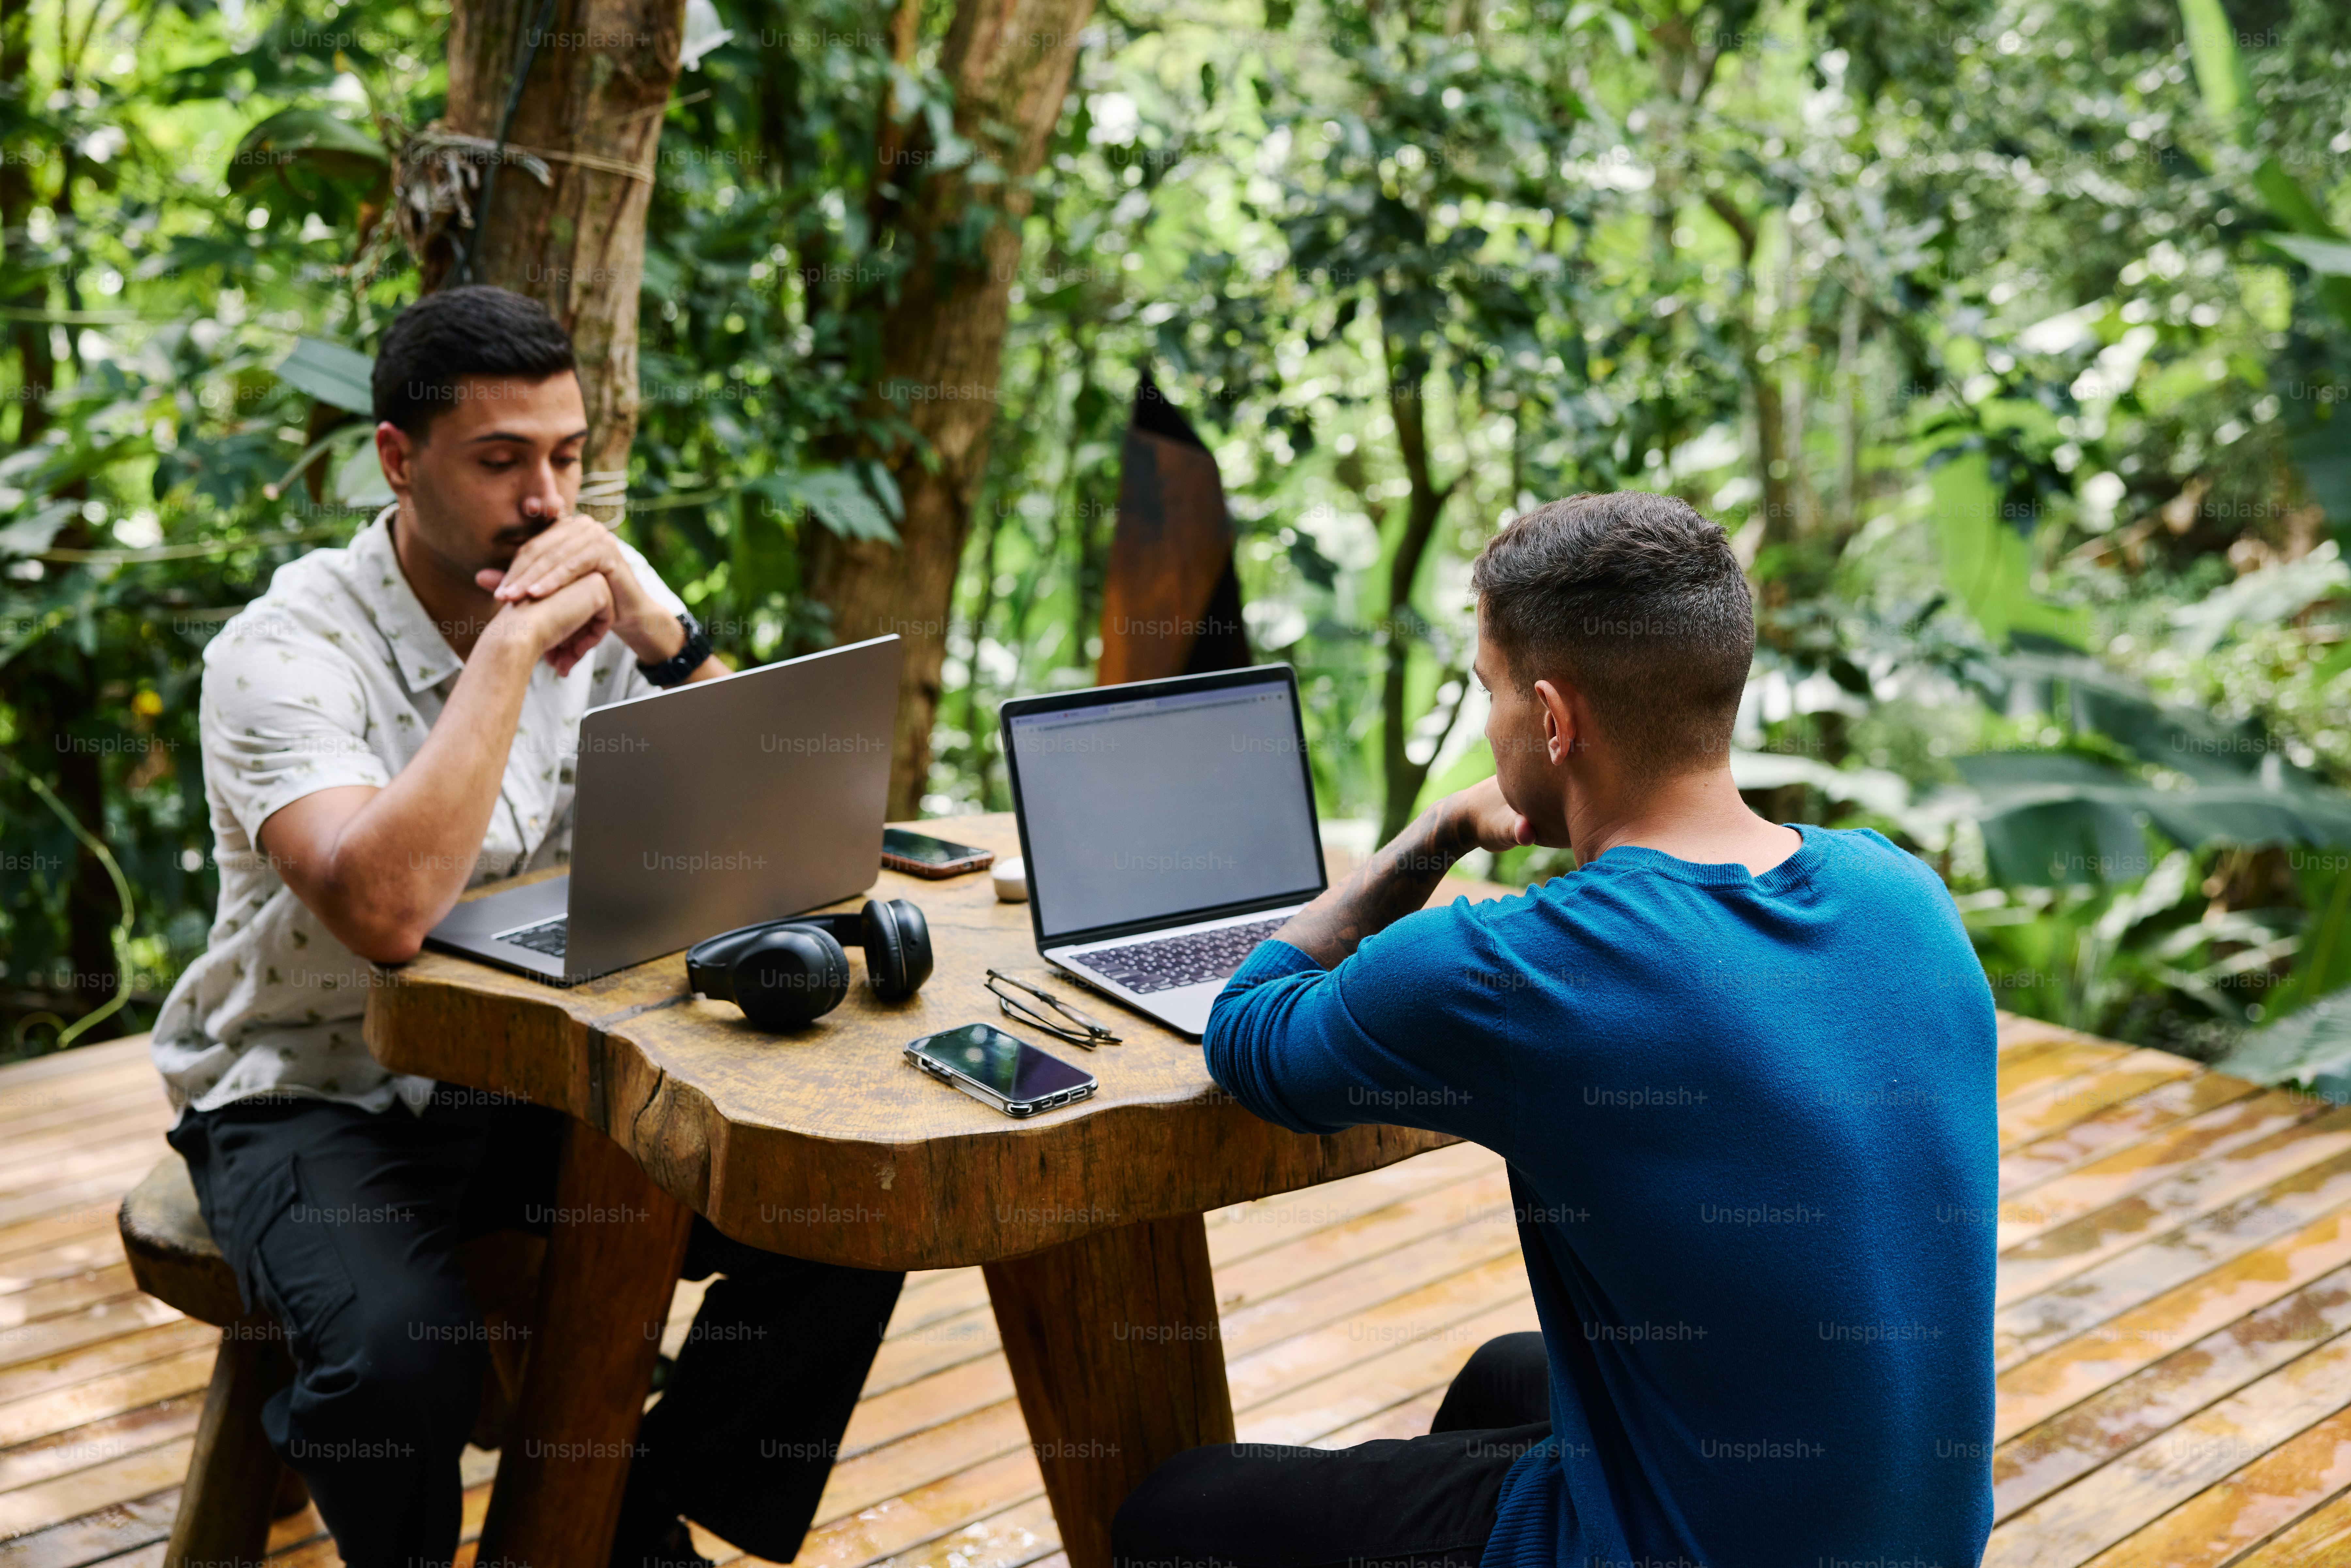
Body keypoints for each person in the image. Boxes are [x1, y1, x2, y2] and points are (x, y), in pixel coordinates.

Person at [150, 285, 902, 1568]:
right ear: (398, 458)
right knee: (393, 1371)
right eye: (501, 461)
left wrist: (668, 635)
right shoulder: (284, 650)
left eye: (566, 457)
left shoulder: (596, 606)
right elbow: (384, 909)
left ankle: (618, 1510)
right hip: (314, 1086)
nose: (547, 500)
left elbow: (798, 835)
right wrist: (504, 651)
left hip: (539, 1071)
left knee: (852, 1185)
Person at [1112, 492, 1995, 1568]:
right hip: (1911, 1536)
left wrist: (1433, 833)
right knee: (1503, 1375)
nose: (1489, 725)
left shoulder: (1518, 966)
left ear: (1551, 718)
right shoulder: (1905, 894)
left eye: (1489, 692)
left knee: (1172, 1510)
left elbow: (1248, 1027)